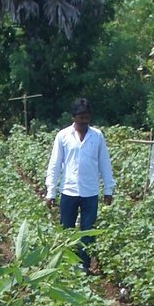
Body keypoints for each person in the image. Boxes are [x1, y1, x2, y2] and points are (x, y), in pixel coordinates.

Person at [45, 98, 116, 274]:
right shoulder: (63, 136)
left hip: (90, 192)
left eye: (87, 117)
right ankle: (68, 266)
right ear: (74, 117)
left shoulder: (97, 136)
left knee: (87, 231)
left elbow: (104, 163)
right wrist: (50, 191)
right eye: (81, 117)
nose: (84, 121)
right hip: (69, 190)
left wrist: (108, 189)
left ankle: (84, 266)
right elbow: (55, 164)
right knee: (67, 229)